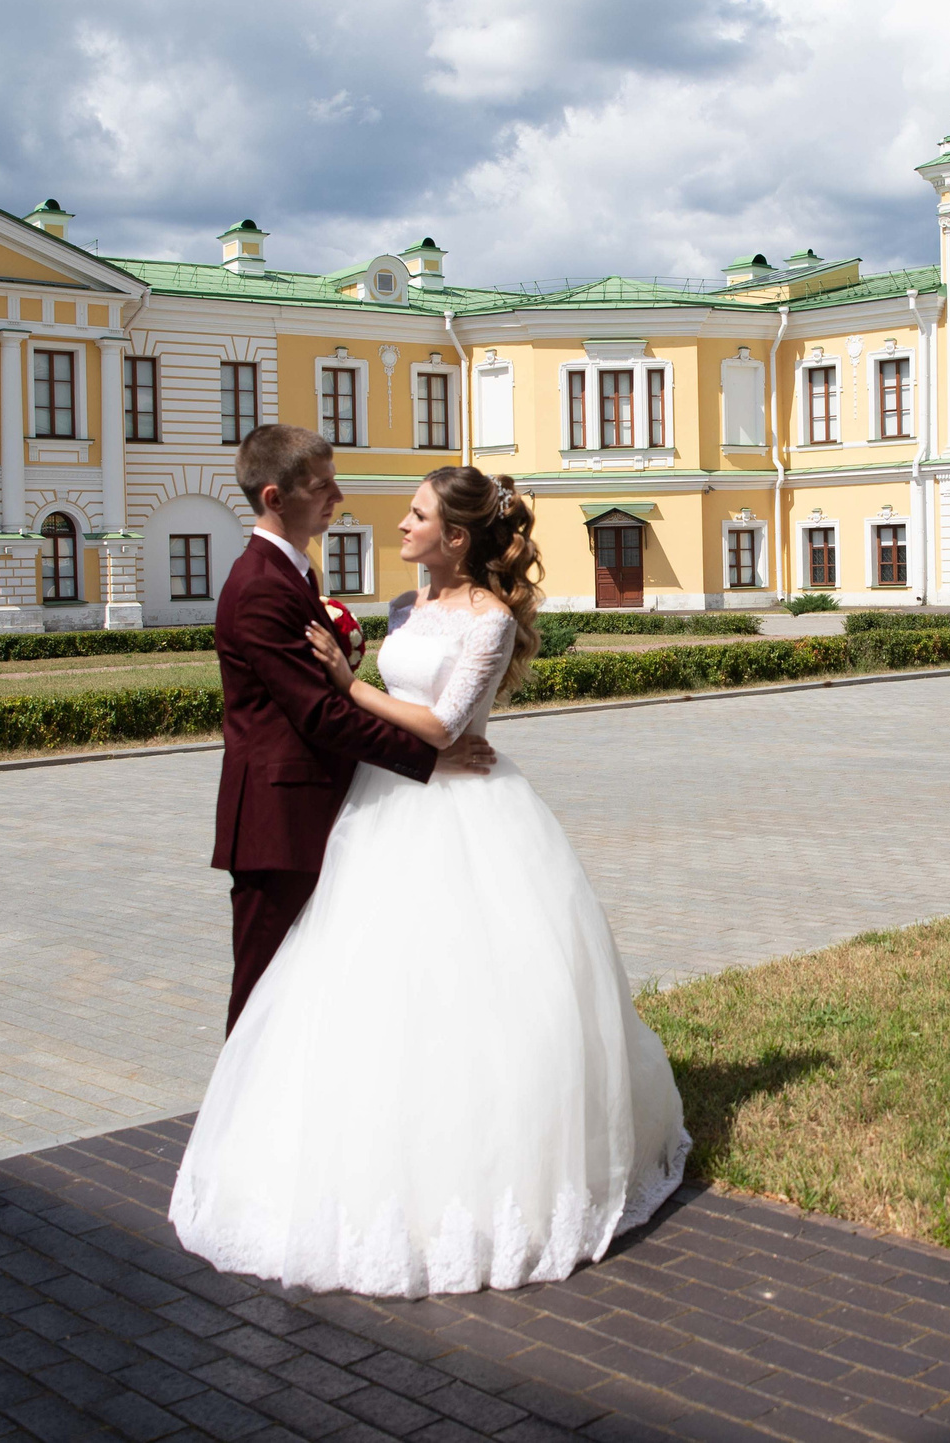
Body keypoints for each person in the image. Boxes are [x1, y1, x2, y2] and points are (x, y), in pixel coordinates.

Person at [170, 466, 689, 1297]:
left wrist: (348, 681)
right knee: (367, 990)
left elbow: (446, 724)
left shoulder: (488, 620)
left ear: (456, 538)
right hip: (380, 807)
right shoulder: (405, 607)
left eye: (417, 516)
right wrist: (355, 665)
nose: (400, 524)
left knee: (467, 989)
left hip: (465, 810)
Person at [208, 424, 493, 1035]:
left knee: (310, 985)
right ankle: (245, 1126)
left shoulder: (294, 573)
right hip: (276, 822)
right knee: (262, 992)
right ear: (274, 498)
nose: (337, 495)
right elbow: (318, 713)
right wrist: (430, 759)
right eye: (322, 486)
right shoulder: (260, 585)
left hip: (324, 809)